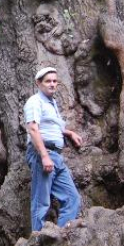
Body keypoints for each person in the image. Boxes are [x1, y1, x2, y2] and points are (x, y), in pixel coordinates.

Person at [24, 67, 83, 232]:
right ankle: (37, 242)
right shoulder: (35, 101)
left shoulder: (52, 103)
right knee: (41, 201)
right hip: (42, 153)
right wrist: (44, 156)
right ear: (39, 83)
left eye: (55, 81)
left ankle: (60, 239)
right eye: (48, 81)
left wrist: (69, 132)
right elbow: (33, 129)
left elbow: (50, 125)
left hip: (56, 156)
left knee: (72, 198)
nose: (52, 84)